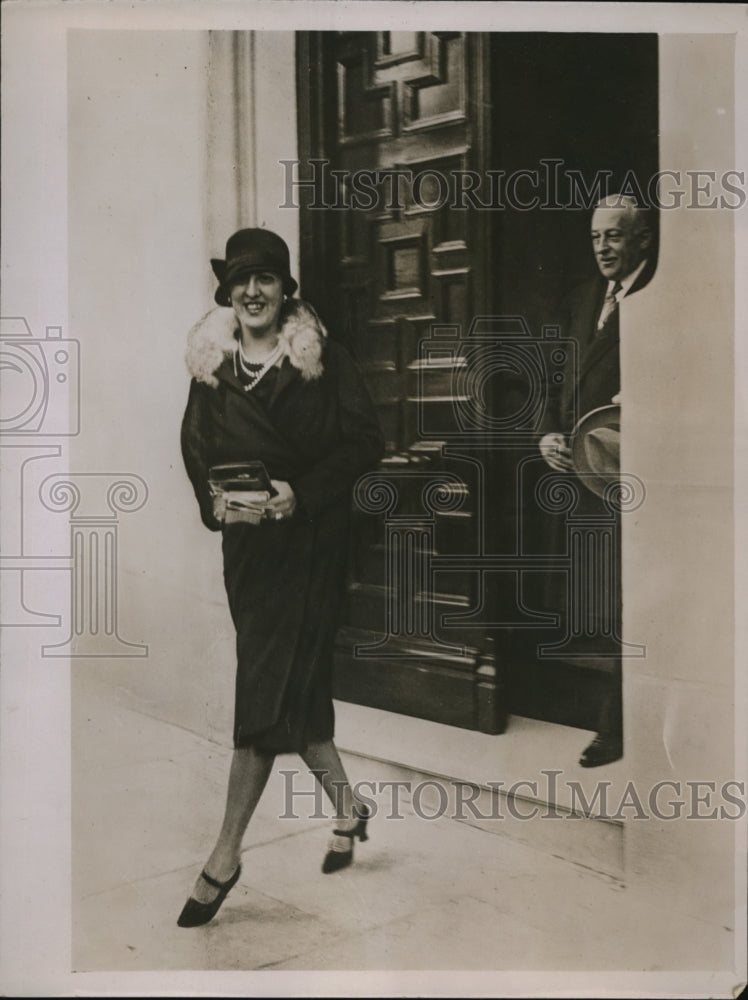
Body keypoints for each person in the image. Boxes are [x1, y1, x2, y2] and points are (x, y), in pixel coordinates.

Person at [178, 228, 385, 927]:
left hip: (311, 548)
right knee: (295, 693)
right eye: (241, 281)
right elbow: (195, 446)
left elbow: (365, 442)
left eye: (266, 278)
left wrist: (305, 491)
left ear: (285, 288)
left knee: (264, 696)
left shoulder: (321, 362)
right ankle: (349, 810)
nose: (253, 292)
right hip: (250, 555)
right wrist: (216, 501)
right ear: (227, 293)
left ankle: (223, 857)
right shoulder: (212, 369)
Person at [538, 194, 655, 768]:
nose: (603, 248)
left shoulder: (661, 296)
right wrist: (548, 435)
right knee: (603, 602)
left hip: (637, 479)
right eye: (596, 238)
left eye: (614, 236)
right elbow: (557, 379)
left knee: (636, 602)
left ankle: (619, 728)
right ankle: (613, 717)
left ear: (641, 240)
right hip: (586, 478)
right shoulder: (584, 300)